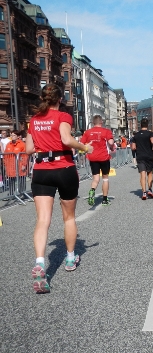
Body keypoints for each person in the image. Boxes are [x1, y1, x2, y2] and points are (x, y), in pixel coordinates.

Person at [25, 84, 94, 294]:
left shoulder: (34, 120)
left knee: (43, 220)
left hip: (41, 170)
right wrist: (84, 147)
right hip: (63, 168)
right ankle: (71, 258)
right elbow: (66, 139)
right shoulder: (63, 116)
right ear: (59, 100)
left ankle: (39, 263)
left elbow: (28, 149)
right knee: (69, 217)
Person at [80, 115, 114, 206]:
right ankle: (105, 200)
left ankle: (92, 190)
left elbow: (81, 144)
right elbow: (111, 142)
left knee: (96, 178)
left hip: (92, 157)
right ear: (101, 122)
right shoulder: (106, 131)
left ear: (93, 122)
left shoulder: (87, 132)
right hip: (104, 157)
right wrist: (111, 144)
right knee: (105, 179)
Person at [131, 119, 153, 200]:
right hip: (149, 156)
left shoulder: (136, 135)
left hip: (140, 156)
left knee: (142, 174)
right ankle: (150, 190)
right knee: (150, 173)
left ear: (140, 125)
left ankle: (144, 192)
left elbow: (133, 147)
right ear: (147, 125)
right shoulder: (150, 133)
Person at [3, 130, 27, 196]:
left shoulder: (22, 144)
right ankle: (11, 193)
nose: (12, 137)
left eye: (14, 135)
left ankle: (22, 193)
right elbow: (5, 155)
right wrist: (5, 164)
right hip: (10, 166)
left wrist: (24, 164)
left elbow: (25, 155)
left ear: (18, 136)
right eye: (11, 135)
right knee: (11, 180)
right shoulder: (8, 144)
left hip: (19, 165)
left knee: (21, 179)